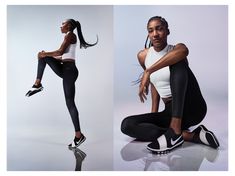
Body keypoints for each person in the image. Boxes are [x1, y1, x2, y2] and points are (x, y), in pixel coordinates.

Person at [121, 16, 219, 154]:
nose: (155, 34)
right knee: (127, 125)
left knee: (177, 61)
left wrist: (148, 71)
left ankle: (174, 131)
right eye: (151, 30)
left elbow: (183, 52)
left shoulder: (177, 49)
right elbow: (155, 84)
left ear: (167, 31)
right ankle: (189, 135)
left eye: (159, 29)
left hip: (192, 107)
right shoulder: (143, 56)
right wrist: (153, 115)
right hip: (170, 111)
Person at [26, 19, 98, 148]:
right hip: (65, 68)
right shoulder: (68, 36)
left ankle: (79, 135)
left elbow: (59, 52)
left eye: (62, 24)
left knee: (70, 103)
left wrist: (44, 54)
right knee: (44, 57)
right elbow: (62, 56)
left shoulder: (70, 35)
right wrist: (46, 55)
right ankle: (37, 84)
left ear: (69, 25)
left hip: (69, 71)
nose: (60, 26)